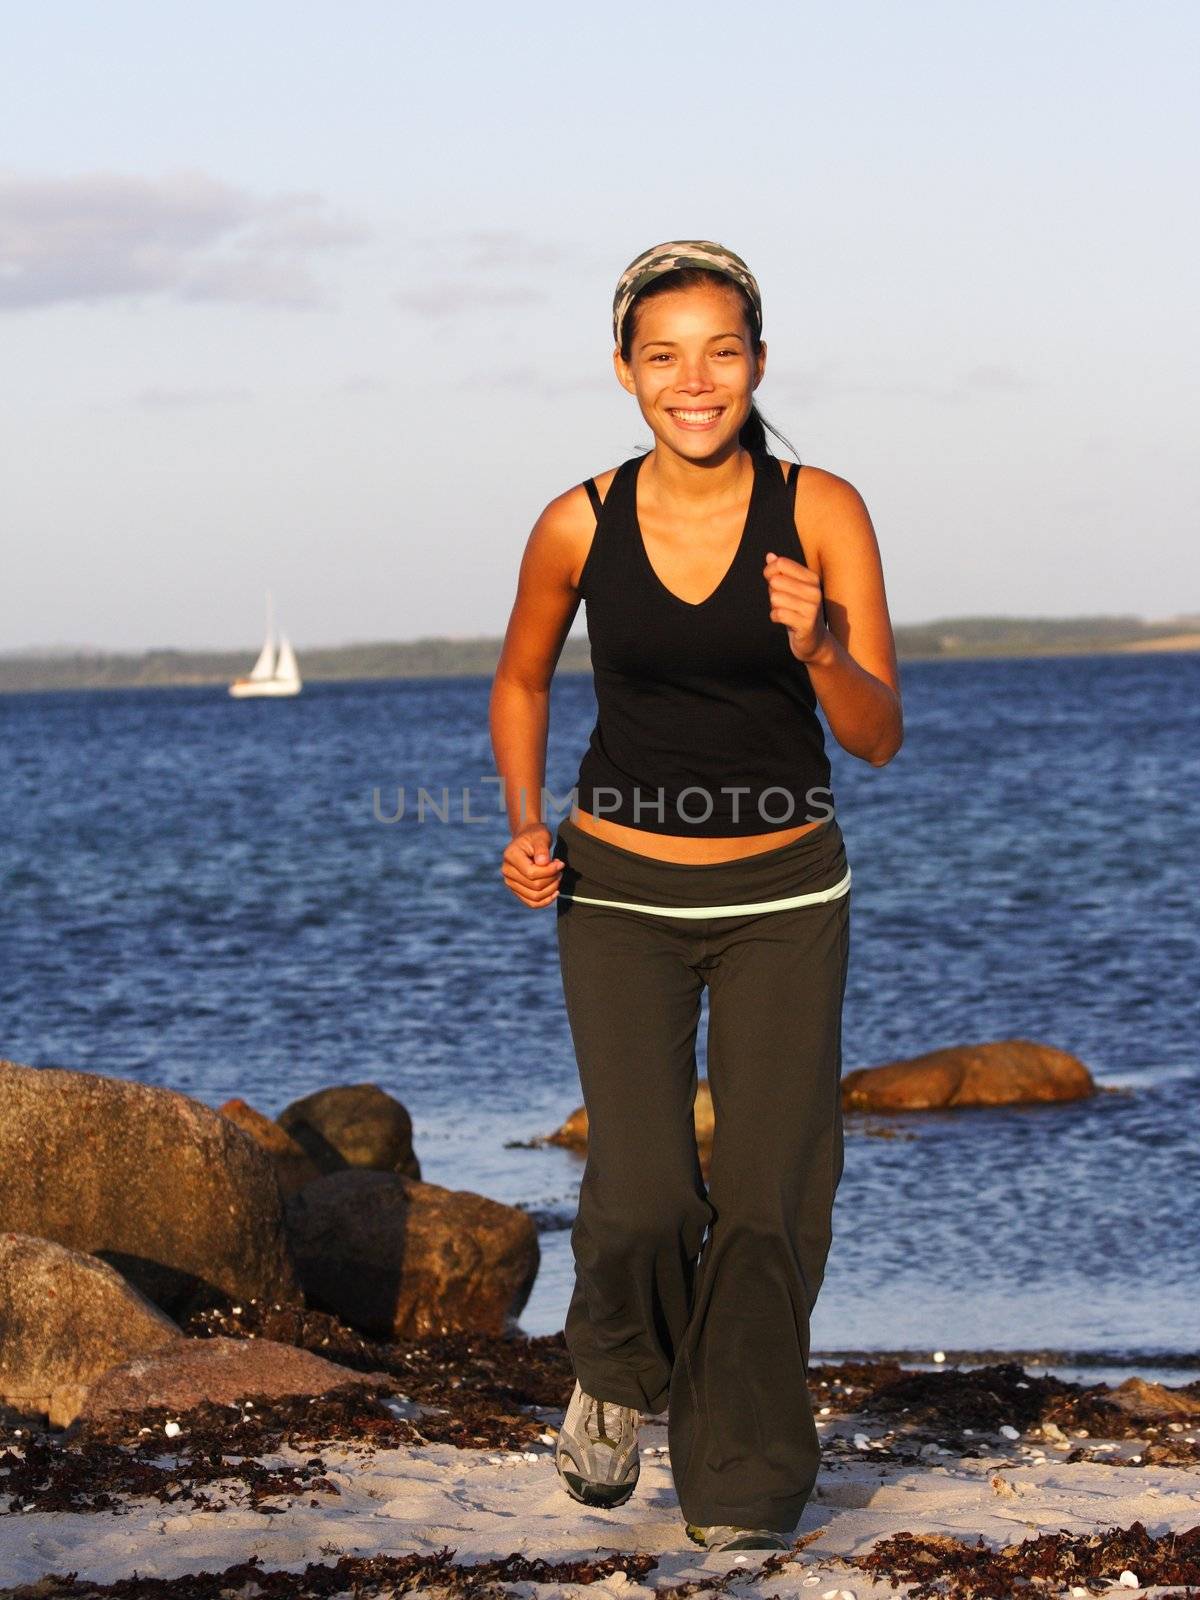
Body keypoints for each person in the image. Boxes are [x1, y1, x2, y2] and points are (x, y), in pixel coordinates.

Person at [489, 240, 902, 1553]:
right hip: (616, 893)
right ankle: (614, 1368)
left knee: (777, 1194)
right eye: (664, 354)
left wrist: (823, 643)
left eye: (722, 350)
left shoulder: (824, 509)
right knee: (646, 1192)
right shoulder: (577, 521)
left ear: (759, 363)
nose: (696, 378)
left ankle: (744, 1487)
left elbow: (879, 732)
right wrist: (520, 824)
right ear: (625, 372)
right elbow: (519, 679)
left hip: (787, 892)